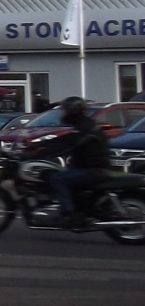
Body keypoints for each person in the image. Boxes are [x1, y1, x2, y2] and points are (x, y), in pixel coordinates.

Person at [48, 96, 112, 229]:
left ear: (72, 111)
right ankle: (74, 207)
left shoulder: (83, 128)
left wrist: (31, 154)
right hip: (91, 167)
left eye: (64, 110)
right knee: (63, 173)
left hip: (94, 170)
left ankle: (69, 214)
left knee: (56, 179)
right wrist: (39, 144)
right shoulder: (84, 124)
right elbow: (63, 140)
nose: (62, 114)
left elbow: (66, 145)